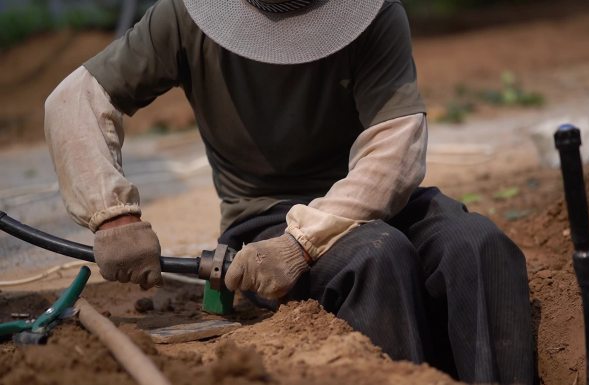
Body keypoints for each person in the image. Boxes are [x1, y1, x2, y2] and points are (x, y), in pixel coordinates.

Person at [44, 0, 534, 383]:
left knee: (478, 245)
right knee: (378, 260)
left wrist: (303, 242)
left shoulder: (377, 15)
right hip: (265, 219)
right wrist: (114, 216)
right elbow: (75, 99)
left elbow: (394, 150)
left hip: (375, 197)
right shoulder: (183, 17)